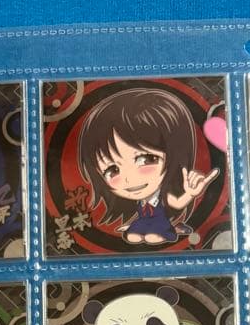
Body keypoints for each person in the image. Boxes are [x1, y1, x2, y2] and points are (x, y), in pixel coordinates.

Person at [77, 88, 218, 245]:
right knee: (132, 236)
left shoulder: (163, 195)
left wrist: (191, 193)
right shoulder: (141, 201)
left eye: (145, 160)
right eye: (112, 170)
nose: (129, 178)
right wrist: (130, 225)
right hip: (144, 223)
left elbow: (177, 203)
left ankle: (172, 229)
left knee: (153, 237)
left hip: (159, 224)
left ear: (174, 154)